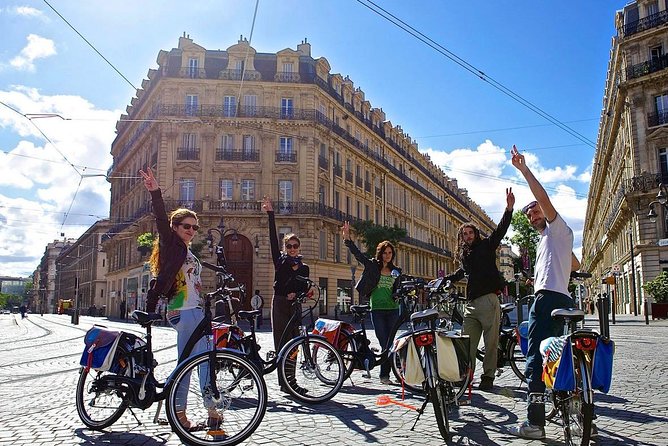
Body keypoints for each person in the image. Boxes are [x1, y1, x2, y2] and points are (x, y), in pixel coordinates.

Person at [140, 166, 220, 431]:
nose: (192, 230)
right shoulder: (172, 243)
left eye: (195, 227)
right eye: (187, 226)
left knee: (203, 358)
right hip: (184, 311)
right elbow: (162, 220)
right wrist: (155, 193)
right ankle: (181, 414)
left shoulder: (185, 250)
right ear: (175, 228)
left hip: (192, 310)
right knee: (189, 363)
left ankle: (211, 410)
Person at [509, 145, 581, 440]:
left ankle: (534, 423)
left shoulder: (557, 228)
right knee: (563, 355)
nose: (532, 214)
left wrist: (524, 170)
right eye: (528, 215)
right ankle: (577, 407)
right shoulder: (552, 240)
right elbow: (575, 263)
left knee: (535, 360)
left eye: (535, 210)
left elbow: (543, 198)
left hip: (547, 299)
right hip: (562, 297)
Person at [444, 188, 515, 391]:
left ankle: (488, 376)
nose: (467, 236)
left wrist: (508, 209)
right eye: (464, 234)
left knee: (490, 342)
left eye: (470, 232)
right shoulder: (465, 255)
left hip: (489, 300)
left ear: (476, 233)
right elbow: (461, 272)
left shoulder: (487, 246)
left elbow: (500, 230)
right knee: (467, 343)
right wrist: (445, 280)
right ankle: (466, 376)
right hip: (471, 303)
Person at [342, 221, 401, 385]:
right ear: (380, 253)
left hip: (393, 310)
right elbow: (358, 255)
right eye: (384, 252)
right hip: (378, 310)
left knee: (390, 344)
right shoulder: (373, 266)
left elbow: (398, 289)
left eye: (390, 253)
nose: (387, 255)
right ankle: (385, 375)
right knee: (384, 342)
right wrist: (347, 239)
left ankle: (386, 375)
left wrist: (398, 295)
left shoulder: (397, 271)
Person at [262, 196, 310, 391]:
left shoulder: (304, 267)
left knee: (295, 343)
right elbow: (273, 238)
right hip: (280, 303)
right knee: (281, 342)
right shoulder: (279, 261)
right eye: (289, 246)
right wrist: (271, 214)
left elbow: (304, 286)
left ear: (299, 248)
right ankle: (284, 382)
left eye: (295, 246)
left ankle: (292, 381)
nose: (292, 249)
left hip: (294, 305)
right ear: (285, 248)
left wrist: (302, 293)